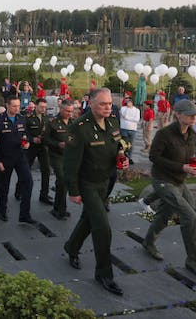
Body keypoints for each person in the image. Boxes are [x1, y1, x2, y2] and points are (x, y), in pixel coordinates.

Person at [63, 88, 126, 296]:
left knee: (89, 220)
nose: (108, 107)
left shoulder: (113, 121)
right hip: (87, 183)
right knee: (102, 227)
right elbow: (70, 164)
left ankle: (72, 247)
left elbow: (120, 143)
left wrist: (122, 157)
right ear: (90, 103)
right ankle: (104, 274)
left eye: (109, 103)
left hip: (105, 180)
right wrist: (73, 190)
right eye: (103, 104)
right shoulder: (78, 128)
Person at [142, 99, 196, 280]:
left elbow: (191, 157)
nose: (193, 118)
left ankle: (148, 242)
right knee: (190, 218)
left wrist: (193, 168)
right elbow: (154, 157)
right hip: (163, 180)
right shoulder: (164, 134)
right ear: (178, 114)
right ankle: (194, 261)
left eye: (195, 115)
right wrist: (181, 167)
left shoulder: (191, 134)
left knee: (165, 214)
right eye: (189, 115)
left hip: (179, 181)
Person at [0, 97, 37, 225]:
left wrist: (27, 142)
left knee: (28, 182)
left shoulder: (21, 118)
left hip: (20, 156)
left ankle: (25, 214)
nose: (17, 108)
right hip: (5, 157)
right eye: (14, 106)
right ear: (7, 105)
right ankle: (2, 210)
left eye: (18, 106)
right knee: (4, 186)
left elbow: (26, 135)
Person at [44, 100, 73, 220]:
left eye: (71, 111)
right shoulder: (53, 122)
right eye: (67, 111)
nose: (69, 113)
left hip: (69, 156)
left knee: (64, 183)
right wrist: (57, 144)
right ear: (61, 109)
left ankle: (59, 208)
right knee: (62, 179)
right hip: (56, 156)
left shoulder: (74, 122)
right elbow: (45, 139)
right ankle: (60, 209)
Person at [23, 98, 52, 205]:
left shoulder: (47, 118)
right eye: (41, 107)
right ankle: (19, 191)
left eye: (45, 107)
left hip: (43, 147)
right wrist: (32, 139)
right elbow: (24, 132)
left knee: (46, 171)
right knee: (25, 170)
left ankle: (44, 195)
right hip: (31, 148)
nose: (43, 109)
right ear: (36, 106)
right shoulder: (29, 117)